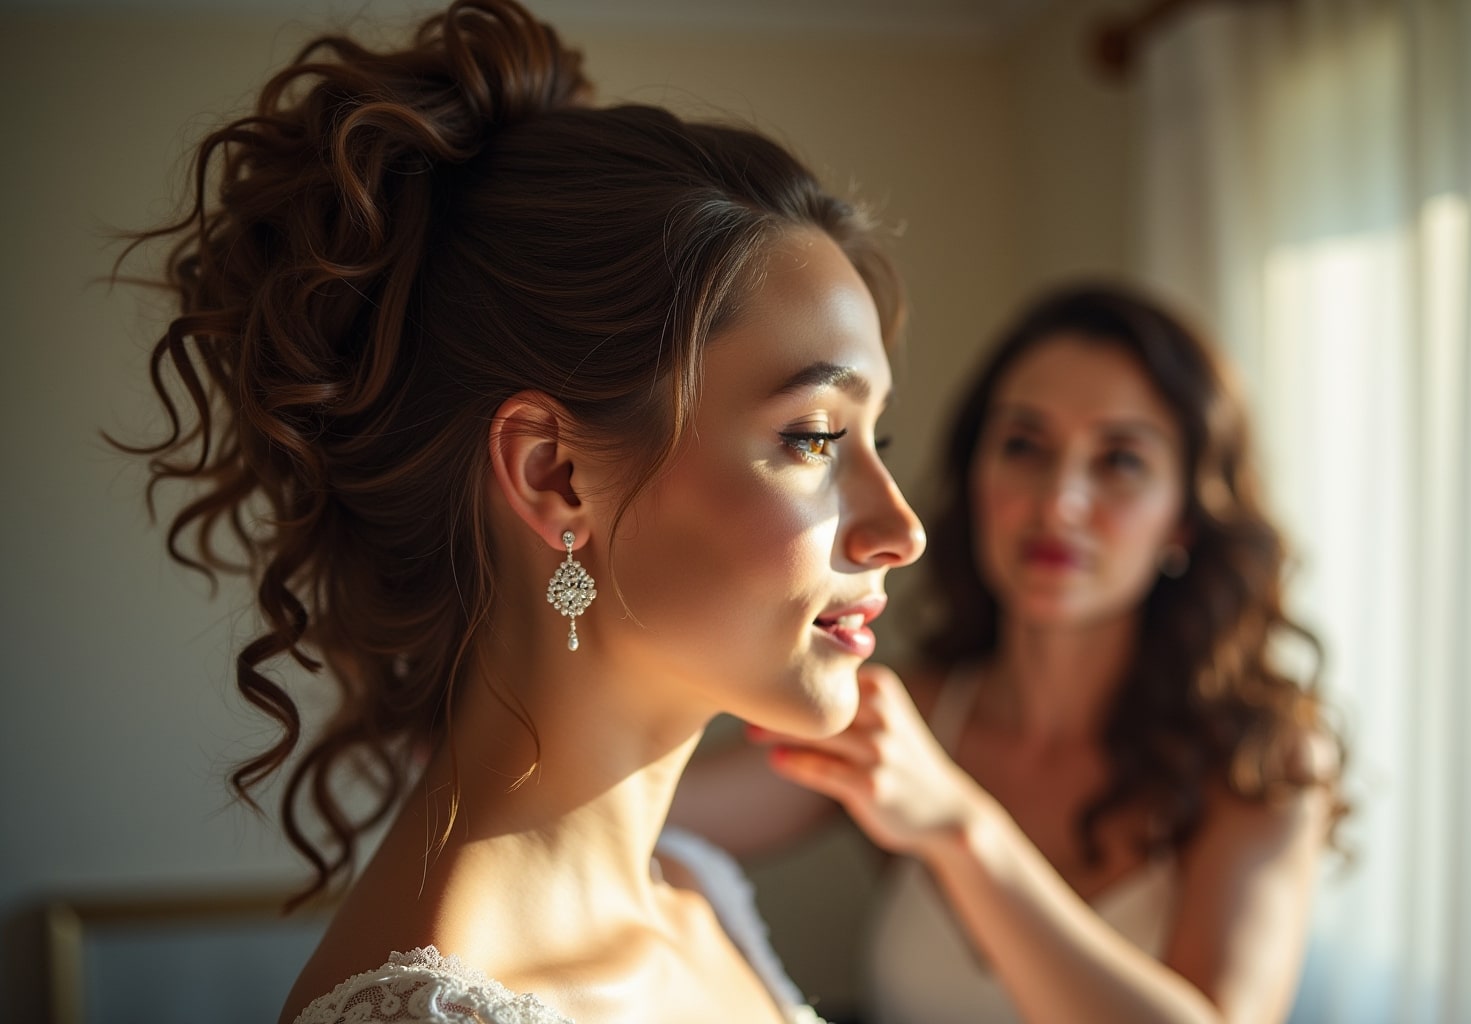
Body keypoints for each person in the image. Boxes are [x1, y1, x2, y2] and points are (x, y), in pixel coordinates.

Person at [115, 2, 926, 1021]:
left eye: (874, 439)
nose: (901, 527)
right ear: (554, 477)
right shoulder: (432, 1008)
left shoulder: (694, 894)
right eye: (813, 437)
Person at [672, 282, 1348, 1024]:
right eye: (1025, 446)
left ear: (1184, 519)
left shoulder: (1262, 762)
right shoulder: (908, 721)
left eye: (1120, 461)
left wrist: (962, 829)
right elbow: (647, 811)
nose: (1059, 500)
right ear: (977, 474)